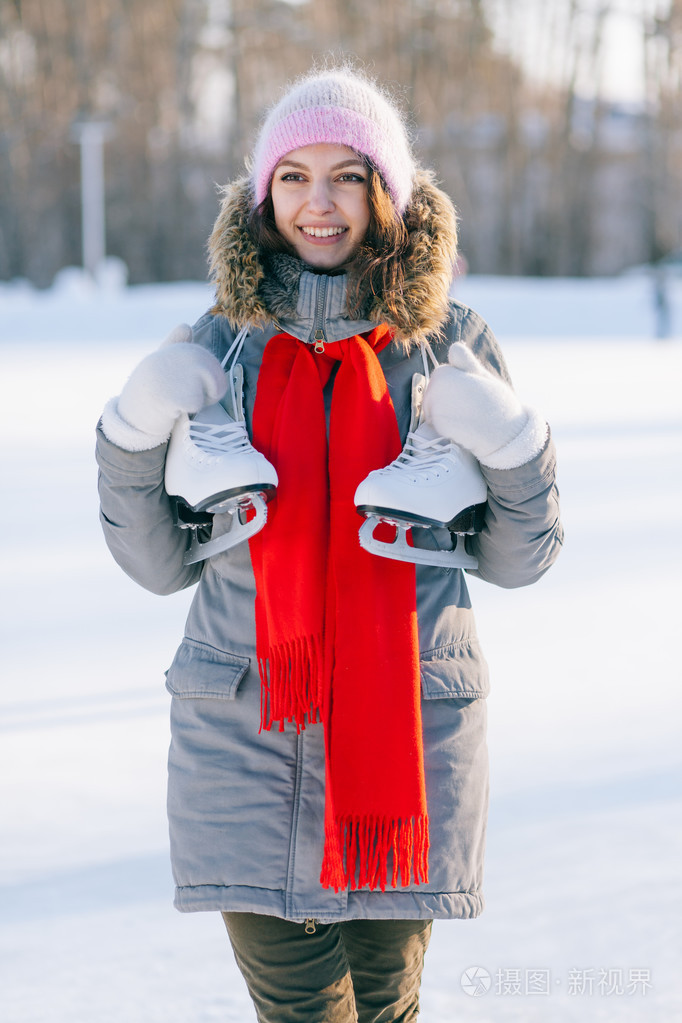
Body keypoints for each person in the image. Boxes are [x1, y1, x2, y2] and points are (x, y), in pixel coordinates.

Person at [96, 67, 563, 1023]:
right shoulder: (220, 346)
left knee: (384, 1011)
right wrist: (131, 430)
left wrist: (513, 444)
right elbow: (154, 562)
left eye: (347, 176)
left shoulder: (450, 344)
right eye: (295, 175)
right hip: (244, 737)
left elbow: (522, 555)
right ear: (264, 193)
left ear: (385, 192)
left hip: (407, 751)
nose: (319, 202)